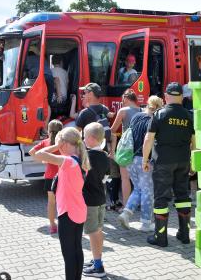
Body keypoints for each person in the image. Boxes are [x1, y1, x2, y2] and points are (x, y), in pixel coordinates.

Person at [142, 82, 195, 247]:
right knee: (183, 196)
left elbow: (149, 138)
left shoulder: (159, 114)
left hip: (163, 162)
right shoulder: (188, 115)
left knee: (161, 198)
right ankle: (184, 235)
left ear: (166, 96)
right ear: (181, 96)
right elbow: (194, 142)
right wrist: (192, 162)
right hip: (183, 161)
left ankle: (161, 237)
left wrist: (144, 159)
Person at [34, 128, 90, 280]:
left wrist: (55, 145)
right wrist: (60, 144)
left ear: (64, 143)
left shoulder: (69, 161)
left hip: (68, 213)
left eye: (60, 143)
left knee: (68, 254)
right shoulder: (79, 158)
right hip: (78, 210)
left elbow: (37, 154)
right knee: (77, 249)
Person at [118, 96, 164, 232]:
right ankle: (146, 223)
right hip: (144, 160)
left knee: (138, 188)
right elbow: (150, 141)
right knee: (148, 191)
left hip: (130, 158)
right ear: (159, 108)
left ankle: (126, 213)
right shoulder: (155, 120)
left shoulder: (137, 116)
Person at [82, 123, 110, 278]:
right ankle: (96, 260)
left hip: (89, 201)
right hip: (101, 198)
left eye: (85, 137)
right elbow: (106, 178)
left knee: (93, 233)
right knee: (98, 231)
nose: (83, 140)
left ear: (92, 139)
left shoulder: (86, 156)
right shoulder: (105, 156)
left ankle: (98, 267)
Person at [30, 120, 64, 234]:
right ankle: (65, 224)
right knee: (63, 202)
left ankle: (52, 225)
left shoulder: (45, 142)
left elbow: (32, 152)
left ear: (48, 131)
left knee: (51, 202)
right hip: (63, 175)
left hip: (50, 176)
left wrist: (43, 159)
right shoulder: (65, 143)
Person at [111, 89, 141, 207]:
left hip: (126, 148)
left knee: (125, 178)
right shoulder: (142, 111)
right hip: (138, 148)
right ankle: (139, 204)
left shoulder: (123, 111)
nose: (122, 101)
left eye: (123, 99)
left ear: (126, 98)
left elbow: (113, 130)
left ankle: (126, 206)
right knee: (138, 178)